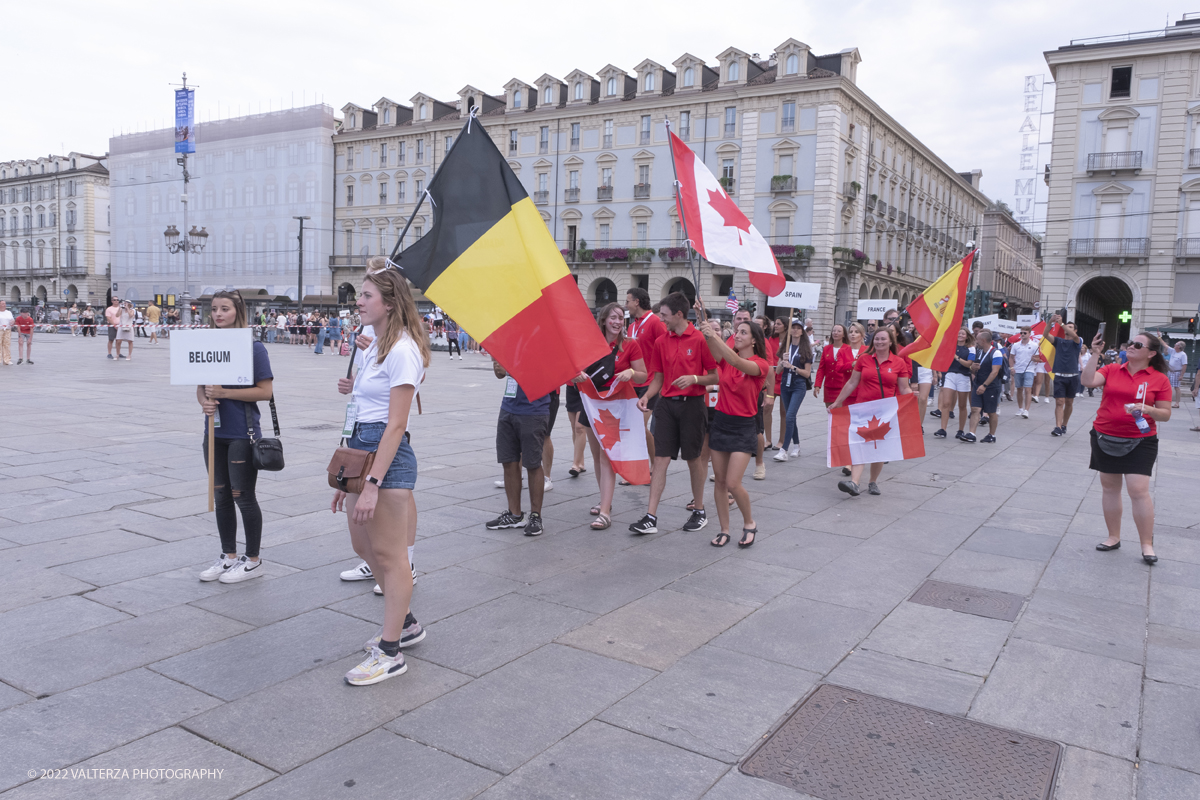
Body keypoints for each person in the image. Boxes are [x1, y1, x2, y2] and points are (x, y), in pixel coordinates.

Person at [331, 262, 429, 685]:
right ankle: (405, 621)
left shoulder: (404, 349)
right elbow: (363, 410)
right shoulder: (376, 346)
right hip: (361, 448)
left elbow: (395, 424)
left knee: (390, 557)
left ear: (389, 303)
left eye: (367, 295)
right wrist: (346, 474)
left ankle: (391, 652)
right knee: (361, 544)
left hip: (386, 456)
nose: (359, 300)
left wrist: (371, 484)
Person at [197, 291, 275, 587]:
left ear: (238, 312)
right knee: (220, 496)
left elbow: (264, 392)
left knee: (243, 496)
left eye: (225, 309)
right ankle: (228, 555)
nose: (218, 314)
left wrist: (225, 393)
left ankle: (253, 560)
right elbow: (201, 387)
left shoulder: (254, 348)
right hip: (214, 433)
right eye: (214, 309)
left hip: (243, 432)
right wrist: (204, 401)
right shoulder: (206, 345)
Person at [630, 291, 718, 534]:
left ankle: (699, 510)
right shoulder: (661, 341)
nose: (662, 319)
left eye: (665, 315)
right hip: (666, 405)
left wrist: (694, 378)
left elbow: (715, 375)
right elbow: (657, 378)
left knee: (693, 458)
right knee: (660, 459)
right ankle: (650, 516)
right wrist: (647, 396)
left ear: (679, 314)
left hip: (692, 405)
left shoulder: (700, 339)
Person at [1084, 332, 1171, 565]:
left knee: (1138, 489)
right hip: (1105, 435)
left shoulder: (1159, 379)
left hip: (1141, 440)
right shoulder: (1112, 369)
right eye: (1131, 342)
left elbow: (1166, 414)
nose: (1131, 346)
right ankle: (1113, 537)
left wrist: (1148, 409)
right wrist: (1095, 353)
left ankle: (1146, 544)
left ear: (1151, 353)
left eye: (1138, 344)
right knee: (1110, 488)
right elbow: (1087, 381)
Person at [697, 305, 768, 547]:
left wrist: (713, 334)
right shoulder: (727, 360)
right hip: (722, 422)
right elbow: (713, 351)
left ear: (755, 341)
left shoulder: (760, 365)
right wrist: (702, 322)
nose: (736, 335)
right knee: (719, 482)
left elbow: (735, 360)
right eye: (736, 331)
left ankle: (750, 523)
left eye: (743, 332)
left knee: (733, 483)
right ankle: (724, 529)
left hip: (744, 427)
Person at [573, 302, 646, 530]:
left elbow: (644, 375)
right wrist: (575, 376)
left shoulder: (630, 345)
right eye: (612, 318)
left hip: (616, 409)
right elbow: (572, 372)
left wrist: (632, 372)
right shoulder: (589, 344)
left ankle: (605, 512)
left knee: (607, 457)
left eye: (620, 318)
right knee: (596, 456)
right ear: (603, 320)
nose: (617, 322)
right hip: (592, 406)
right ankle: (605, 499)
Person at [828, 326, 912, 495]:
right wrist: (837, 402)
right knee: (859, 444)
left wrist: (912, 399)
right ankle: (854, 483)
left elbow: (904, 388)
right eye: (877, 339)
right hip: (863, 408)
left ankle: (873, 481)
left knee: (878, 448)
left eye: (883, 339)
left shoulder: (898, 362)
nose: (879, 342)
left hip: (885, 411)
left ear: (890, 342)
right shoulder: (864, 359)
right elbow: (852, 383)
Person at [626, 288, 667, 462]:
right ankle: (646, 463)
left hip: (650, 383)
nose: (626, 305)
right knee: (633, 427)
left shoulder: (655, 321)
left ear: (636, 302)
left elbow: (667, 348)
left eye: (628, 301)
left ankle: (650, 464)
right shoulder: (632, 325)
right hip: (632, 383)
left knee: (638, 426)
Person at [773, 318, 813, 461]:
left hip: (798, 385)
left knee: (789, 416)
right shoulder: (785, 348)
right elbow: (777, 371)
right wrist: (783, 363)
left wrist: (793, 367)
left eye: (798, 328)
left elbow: (807, 373)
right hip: (785, 384)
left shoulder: (806, 350)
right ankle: (796, 445)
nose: (795, 330)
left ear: (802, 331)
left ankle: (784, 449)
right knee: (791, 417)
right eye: (793, 327)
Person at [933, 329, 974, 440]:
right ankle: (943, 429)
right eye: (958, 333)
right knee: (946, 403)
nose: (960, 335)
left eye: (962, 334)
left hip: (963, 376)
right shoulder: (950, 346)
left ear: (966, 336)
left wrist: (956, 357)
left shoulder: (971, 349)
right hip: (950, 375)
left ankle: (960, 430)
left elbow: (969, 364)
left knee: (962, 405)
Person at [965, 329, 1003, 443]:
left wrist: (985, 385)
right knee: (975, 409)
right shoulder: (979, 352)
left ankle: (992, 435)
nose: (976, 342)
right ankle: (972, 433)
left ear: (983, 340)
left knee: (991, 412)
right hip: (978, 384)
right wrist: (973, 368)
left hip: (991, 387)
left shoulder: (996, 352)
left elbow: (995, 372)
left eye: (977, 340)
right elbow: (973, 369)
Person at [1048, 315, 1083, 436]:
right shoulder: (1058, 341)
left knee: (1069, 402)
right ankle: (1057, 426)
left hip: (1073, 376)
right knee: (1059, 402)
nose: (1069, 330)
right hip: (1059, 375)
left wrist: (1062, 324)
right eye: (1067, 327)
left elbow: (1074, 336)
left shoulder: (1078, 341)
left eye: (1071, 327)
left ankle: (1064, 424)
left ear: (1075, 330)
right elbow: (1045, 335)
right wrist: (1050, 322)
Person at [814, 324, 849, 407]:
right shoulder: (826, 349)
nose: (835, 333)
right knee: (830, 413)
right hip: (829, 387)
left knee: (840, 414)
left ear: (844, 335)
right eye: (834, 331)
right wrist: (817, 385)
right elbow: (821, 368)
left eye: (839, 331)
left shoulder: (848, 348)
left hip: (842, 386)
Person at [1010, 326, 1038, 418]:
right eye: (1021, 333)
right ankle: (1020, 408)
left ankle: (1026, 410)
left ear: (1029, 334)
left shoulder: (1034, 345)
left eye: (1025, 333)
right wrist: (1012, 367)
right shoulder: (1016, 345)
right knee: (1019, 389)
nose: (1022, 334)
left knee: (1027, 389)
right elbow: (1011, 357)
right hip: (1018, 369)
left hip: (1029, 369)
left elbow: (1038, 358)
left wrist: (1035, 359)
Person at [1168, 341, 1188, 408]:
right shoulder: (1173, 351)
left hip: (1177, 372)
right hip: (1170, 371)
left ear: (1179, 347)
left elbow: (1184, 365)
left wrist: (1181, 375)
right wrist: (1159, 337)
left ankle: (1177, 403)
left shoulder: (1183, 354)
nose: (1174, 344)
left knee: (1177, 388)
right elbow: (1165, 345)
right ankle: (1167, 401)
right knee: (1168, 386)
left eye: (1176, 344)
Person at [0, 300, 12, 366]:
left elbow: (12, 319)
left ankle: (7, 360)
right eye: (2, 304)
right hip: (0, 330)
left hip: (7, 330)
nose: (4, 305)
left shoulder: (8, 312)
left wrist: (12, 322)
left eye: (4, 304)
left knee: (7, 345)